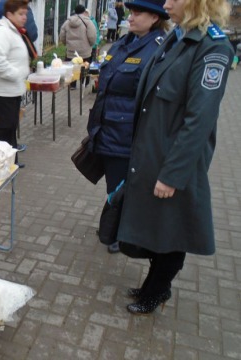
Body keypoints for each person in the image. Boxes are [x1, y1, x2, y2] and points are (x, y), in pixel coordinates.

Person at [117, 0, 234, 315]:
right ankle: (153, 284)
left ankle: (157, 291)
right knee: (156, 224)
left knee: (172, 228)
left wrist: (173, 174)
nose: (166, 2)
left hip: (174, 158)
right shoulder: (178, 35)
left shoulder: (213, 47)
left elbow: (200, 119)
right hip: (153, 151)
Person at [87, 0, 170, 254]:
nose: (130, 17)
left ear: (155, 18)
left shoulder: (158, 49)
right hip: (106, 128)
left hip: (126, 134)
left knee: (122, 186)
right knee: (114, 184)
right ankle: (113, 225)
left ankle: (117, 234)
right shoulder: (124, 42)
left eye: (138, 13)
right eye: (131, 11)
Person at [0, 0, 31, 167]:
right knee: (5, 127)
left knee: (10, 126)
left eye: (26, 13)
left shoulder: (13, 31)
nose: (25, 17)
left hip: (12, 89)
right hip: (3, 90)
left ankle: (11, 162)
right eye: (21, 14)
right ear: (9, 14)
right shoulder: (2, 32)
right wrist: (17, 74)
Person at [59, 4, 97, 89]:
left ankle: (72, 84)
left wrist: (66, 44)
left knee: (72, 67)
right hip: (85, 50)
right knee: (85, 66)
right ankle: (85, 82)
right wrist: (90, 44)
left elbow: (62, 35)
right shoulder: (88, 22)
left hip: (71, 51)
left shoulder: (67, 22)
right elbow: (92, 36)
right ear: (84, 11)